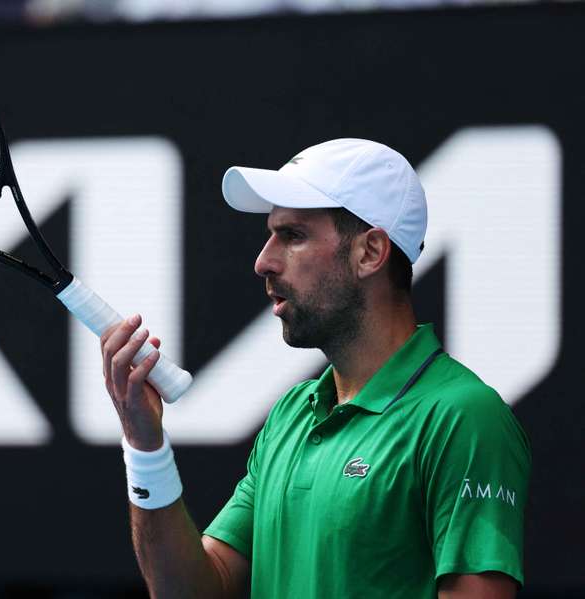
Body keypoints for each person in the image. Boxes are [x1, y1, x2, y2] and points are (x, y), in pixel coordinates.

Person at [99, 138, 532, 598]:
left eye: (293, 235)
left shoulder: (464, 418)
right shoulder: (291, 414)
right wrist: (145, 447)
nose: (263, 261)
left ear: (369, 253)